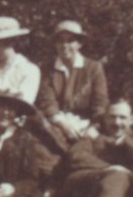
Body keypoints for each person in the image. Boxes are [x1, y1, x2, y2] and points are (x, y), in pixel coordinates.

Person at [35, 20, 109, 153]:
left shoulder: (93, 68)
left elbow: (100, 103)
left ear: (79, 44)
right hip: (57, 125)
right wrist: (64, 125)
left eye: (70, 41)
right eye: (60, 41)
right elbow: (48, 102)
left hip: (87, 126)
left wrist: (94, 127)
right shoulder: (47, 70)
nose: (65, 45)